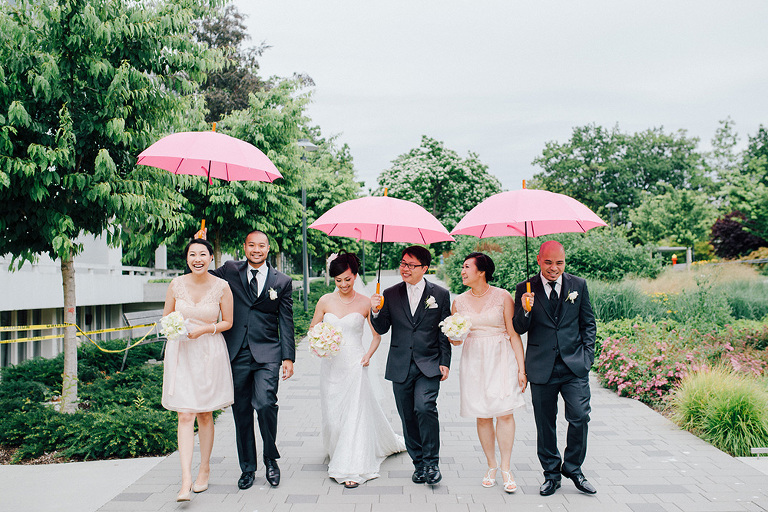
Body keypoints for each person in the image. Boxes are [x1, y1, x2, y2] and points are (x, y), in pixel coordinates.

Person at [309, 252, 406, 488]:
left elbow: (376, 337)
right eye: (338, 280)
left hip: (354, 364)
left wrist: (368, 355)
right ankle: (338, 449)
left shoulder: (365, 302)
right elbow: (314, 329)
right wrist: (320, 344)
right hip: (331, 366)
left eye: (347, 279)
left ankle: (351, 465)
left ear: (355, 276)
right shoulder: (325, 301)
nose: (343, 285)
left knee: (354, 414)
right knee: (333, 415)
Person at [210, 230, 295, 490]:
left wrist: (288, 357)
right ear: (244, 247)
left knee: (266, 403)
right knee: (242, 412)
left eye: (261, 245)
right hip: (236, 353)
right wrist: (201, 244)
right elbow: (199, 276)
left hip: (268, 353)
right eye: (251, 245)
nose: (256, 249)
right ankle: (247, 468)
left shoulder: (282, 281)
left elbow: (286, 321)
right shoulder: (229, 270)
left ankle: (271, 458)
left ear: (268, 249)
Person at [512, 240, 597, 496]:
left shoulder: (578, 285)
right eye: (548, 262)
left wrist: (587, 357)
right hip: (541, 368)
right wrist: (525, 310)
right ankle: (551, 474)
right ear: (538, 259)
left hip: (574, 366)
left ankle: (573, 467)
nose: (553, 268)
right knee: (545, 424)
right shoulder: (524, 288)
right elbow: (518, 328)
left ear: (564, 261)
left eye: (559, 262)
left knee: (580, 416)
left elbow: (588, 323)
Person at [370, 246, 451, 485]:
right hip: (400, 365)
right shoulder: (390, 293)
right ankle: (419, 465)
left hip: (429, 363)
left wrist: (445, 362)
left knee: (425, 408)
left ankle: (432, 463)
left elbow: (444, 331)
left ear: (424, 268)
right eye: (403, 263)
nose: (404, 268)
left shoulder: (441, 294)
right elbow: (382, 328)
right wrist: (376, 310)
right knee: (408, 415)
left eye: (411, 265)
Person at [161, 238, 234, 502]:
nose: (198, 258)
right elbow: (166, 316)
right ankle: (185, 480)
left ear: (210, 258)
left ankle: (204, 468)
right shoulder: (176, 284)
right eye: (193, 254)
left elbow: (228, 321)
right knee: (184, 414)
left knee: (205, 414)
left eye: (203, 254)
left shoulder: (222, 287)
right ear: (187, 258)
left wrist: (204, 329)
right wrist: (174, 328)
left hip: (208, 353)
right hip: (181, 353)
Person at [449, 252, 527, 493]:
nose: (462, 271)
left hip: (501, 358)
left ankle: (505, 467)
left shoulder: (503, 296)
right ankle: (491, 465)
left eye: (466, 267)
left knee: (504, 413)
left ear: (481, 271)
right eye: (462, 267)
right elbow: (456, 342)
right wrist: (454, 335)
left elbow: (514, 334)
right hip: (473, 361)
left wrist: (521, 369)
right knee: (482, 415)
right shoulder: (458, 302)